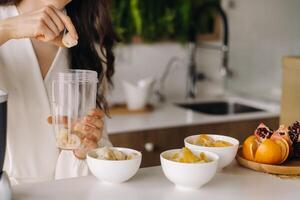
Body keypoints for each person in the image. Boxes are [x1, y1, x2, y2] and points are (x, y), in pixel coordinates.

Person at [0, 0, 117, 184]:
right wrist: (7, 29)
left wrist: (82, 150)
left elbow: (99, 154)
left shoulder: (90, 48)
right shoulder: (3, 24)